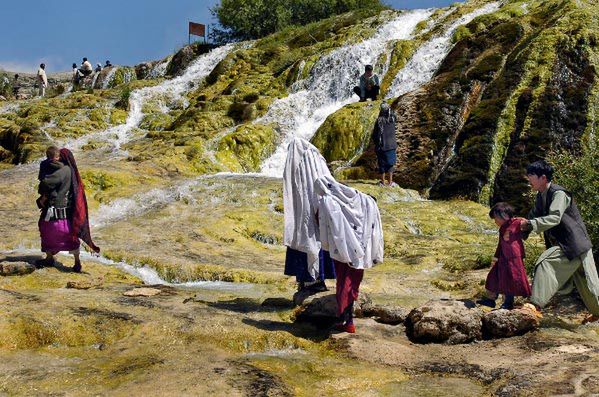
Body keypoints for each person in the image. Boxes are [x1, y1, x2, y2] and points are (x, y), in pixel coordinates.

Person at [520, 160, 599, 322]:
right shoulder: (541, 196)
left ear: (543, 178)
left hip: (573, 244)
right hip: (573, 246)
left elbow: (554, 217)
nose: (528, 179)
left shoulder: (559, 194)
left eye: (531, 175)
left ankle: (534, 305)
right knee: (588, 286)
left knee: (546, 262)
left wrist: (530, 225)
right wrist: (520, 230)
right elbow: (533, 217)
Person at [315, 175, 384, 333]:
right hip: (361, 249)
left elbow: (323, 224)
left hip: (342, 249)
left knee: (344, 283)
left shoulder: (329, 202)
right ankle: (347, 320)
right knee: (351, 283)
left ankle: (347, 320)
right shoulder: (360, 198)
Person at [283, 138, 336, 293]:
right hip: (314, 215)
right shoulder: (316, 164)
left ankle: (313, 280)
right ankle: (309, 280)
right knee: (311, 241)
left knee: (310, 241)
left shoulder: (305, 166)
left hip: (312, 215)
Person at [37, 148, 100, 272]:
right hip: (68, 210)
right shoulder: (71, 171)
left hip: (56, 208)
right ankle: (77, 262)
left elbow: (46, 183)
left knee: (47, 231)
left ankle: (50, 258)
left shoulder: (63, 171)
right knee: (71, 237)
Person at [477, 202, 531, 310]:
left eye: (496, 218)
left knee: (510, 279)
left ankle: (508, 303)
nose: (495, 221)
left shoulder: (515, 223)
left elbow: (527, 224)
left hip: (513, 257)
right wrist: (496, 257)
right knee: (493, 277)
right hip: (503, 256)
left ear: (505, 215)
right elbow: (500, 243)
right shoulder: (502, 228)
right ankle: (491, 300)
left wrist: (523, 220)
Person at [372, 102, 398, 187]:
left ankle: (383, 182)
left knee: (382, 164)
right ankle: (390, 182)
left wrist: (376, 143)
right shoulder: (393, 118)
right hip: (392, 145)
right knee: (390, 164)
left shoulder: (379, 121)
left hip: (382, 146)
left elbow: (375, 134)